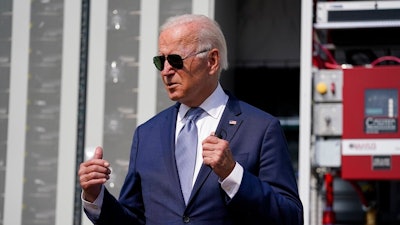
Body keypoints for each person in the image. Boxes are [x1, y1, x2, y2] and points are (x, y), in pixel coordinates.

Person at [79, 14, 303, 225]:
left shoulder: (261, 128)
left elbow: (291, 217)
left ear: (212, 61)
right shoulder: (147, 134)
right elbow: (134, 219)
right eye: (160, 61)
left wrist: (233, 174)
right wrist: (96, 197)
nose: (166, 71)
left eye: (175, 60)